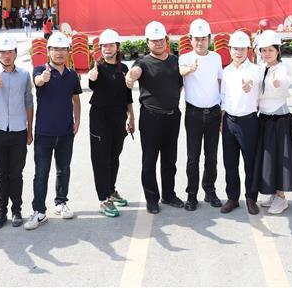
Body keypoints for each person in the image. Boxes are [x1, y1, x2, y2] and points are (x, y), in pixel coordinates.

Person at [125, 21, 184, 214]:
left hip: (172, 116)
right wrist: (131, 76)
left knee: (170, 160)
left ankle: (169, 194)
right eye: (154, 40)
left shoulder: (175, 60)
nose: (158, 43)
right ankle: (152, 198)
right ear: (147, 42)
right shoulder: (142, 62)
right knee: (149, 160)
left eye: (161, 40)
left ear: (166, 40)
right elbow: (135, 73)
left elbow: (180, 84)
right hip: (151, 118)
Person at [27, 32, 81, 228]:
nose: (59, 53)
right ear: (48, 51)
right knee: (41, 173)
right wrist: (43, 78)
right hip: (44, 132)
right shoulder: (40, 70)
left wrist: (77, 120)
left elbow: (76, 99)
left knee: (63, 170)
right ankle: (39, 211)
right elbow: (37, 81)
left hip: (66, 132)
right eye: (55, 49)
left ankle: (61, 202)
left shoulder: (72, 75)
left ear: (68, 51)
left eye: (63, 49)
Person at [0, 34, 34, 230]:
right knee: (1, 174)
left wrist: (30, 129)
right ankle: (1, 212)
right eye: (2, 52)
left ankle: (17, 211)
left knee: (16, 174)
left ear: (15, 53)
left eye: (10, 52)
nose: (6, 55)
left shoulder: (24, 75)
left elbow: (29, 102)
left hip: (19, 130)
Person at [253, 30, 292, 215]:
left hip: (279, 119)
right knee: (268, 158)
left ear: (278, 51)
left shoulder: (283, 68)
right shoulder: (260, 67)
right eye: (263, 50)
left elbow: (284, 81)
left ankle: (281, 197)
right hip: (264, 118)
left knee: (281, 158)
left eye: (270, 50)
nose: (267, 53)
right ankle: (273, 193)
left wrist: (278, 83)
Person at [87, 29, 135, 218]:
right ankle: (103, 198)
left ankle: (111, 190)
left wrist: (131, 117)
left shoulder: (123, 68)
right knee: (101, 159)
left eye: (111, 45)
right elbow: (92, 82)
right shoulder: (97, 67)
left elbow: (128, 95)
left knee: (114, 157)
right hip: (100, 119)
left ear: (117, 47)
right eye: (104, 46)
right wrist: (92, 77)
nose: (108, 48)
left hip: (118, 118)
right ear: (100, 48)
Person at [179, 18, 224, 210]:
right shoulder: (184, 58)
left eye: (204, 38)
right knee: (193, 157)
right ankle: (191, 194)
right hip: (193, 114)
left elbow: (220, 82)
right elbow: (180, 71)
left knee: (211, 156)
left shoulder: (216, 58)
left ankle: (210, 191)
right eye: (196, 38)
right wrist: (188, 70)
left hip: (214, 113)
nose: (200, 42)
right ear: (190, 39)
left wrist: (222, 110)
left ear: (209, 39)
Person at [219, 31, 261, 215]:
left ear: (248, 50)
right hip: (229, 121)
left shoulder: (255, 70)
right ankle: (232, 198)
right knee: (230, 163)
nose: (239, 52)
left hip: (248, 122)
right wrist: (222, 122)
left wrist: (249, 85)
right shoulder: (226, 71)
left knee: (250, 162)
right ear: (229, 49)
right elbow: (223, 98)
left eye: (242, 49)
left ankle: (251, 198)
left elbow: (254, 83)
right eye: (235, 49)